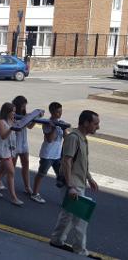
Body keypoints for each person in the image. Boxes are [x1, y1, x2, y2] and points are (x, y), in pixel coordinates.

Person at [50, 110, 100, 256]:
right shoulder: (74, 138)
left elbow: (81, 163)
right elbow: (66, 162)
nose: (97, 127)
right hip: (73, 184)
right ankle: (80, 250)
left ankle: (56, 240)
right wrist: (70, 186)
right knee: (80, 219)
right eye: (95, 123)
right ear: (86, 123)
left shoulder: (82, 138)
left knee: (68, 216)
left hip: (78, 182)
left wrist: (89, 178)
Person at [31, 102, 66, 204]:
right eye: (58, 112)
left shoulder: (61, 122)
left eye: (61, 111)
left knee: (62, 176)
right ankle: (35, 194)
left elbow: (66, 138)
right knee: (41, 174)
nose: (60, 114)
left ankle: (66, 198)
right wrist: (54, 127)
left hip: (57, 155)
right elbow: (50, 139)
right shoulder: (47, 123)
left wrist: (64, 129)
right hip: (47, 155)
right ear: (52, 112)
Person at [0, 102, 24, 206]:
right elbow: (4, 136)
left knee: (1, 170)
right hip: (3, 150)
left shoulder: (11, 120)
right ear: (7, 112)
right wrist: (12, 128)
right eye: (12, 111)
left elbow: (16, 133)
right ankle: (13, 197)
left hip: (10, 149)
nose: (14, 113)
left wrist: (16, 126)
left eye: (14, 111)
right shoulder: (1, 122)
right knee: (11, 172)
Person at [12, 96, 36, 195]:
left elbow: (30, 126)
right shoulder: (12, 113)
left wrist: (34, 118)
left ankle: (27, 186)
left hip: (23, 143)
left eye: (24, 106)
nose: (23, 108)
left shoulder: (24, 114)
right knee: (10, 166)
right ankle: (0, 181)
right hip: (15, 142)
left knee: (25, 164)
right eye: (22, 106)